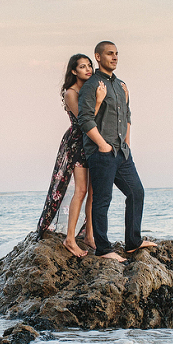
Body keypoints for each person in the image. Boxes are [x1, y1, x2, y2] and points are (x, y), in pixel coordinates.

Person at [76, 41, 155, 262]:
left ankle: (133, 241)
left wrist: (127, 143)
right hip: (101, 152)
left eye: (117, 54)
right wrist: (102, 144)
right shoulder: (92, 85)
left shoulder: (121, 85)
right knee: (103, 200)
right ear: (98, 57)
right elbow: (85, 118)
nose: (115, 57)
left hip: (122, 152)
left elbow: (127, 115)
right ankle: (103, 249)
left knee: (136, 192)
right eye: (110, 54)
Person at [36, 53, 97, 256]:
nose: (88, 69)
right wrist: (99, 101)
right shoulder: (71, 93)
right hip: (77, 143)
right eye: (82, 66)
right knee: (80, 190)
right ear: (73, 71)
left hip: (91, 141)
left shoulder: (89, 89)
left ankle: (89, 235)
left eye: (89, 65)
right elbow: (84, 120)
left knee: (92, 191)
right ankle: (70, 239)